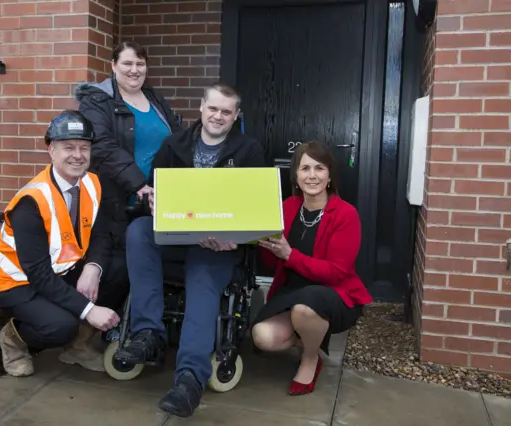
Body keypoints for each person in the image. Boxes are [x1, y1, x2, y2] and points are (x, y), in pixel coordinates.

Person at [115, 82, 267, 418]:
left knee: (203, 271)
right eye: (213, 108)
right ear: (201, 108)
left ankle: (190, 378)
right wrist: (154, 202)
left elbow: (256, 207)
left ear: (236, 116)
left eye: (227, 112)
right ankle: (147, 333)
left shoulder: (249, 151)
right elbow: (156, 195)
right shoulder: (174, 146)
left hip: (216, 246)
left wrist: (236, 237)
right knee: (139, 230)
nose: (218, 116)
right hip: (176, 238)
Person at [0, 110, 121, 377]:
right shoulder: (31, 201)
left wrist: (93, 268)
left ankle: (77, 348)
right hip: (15, 282)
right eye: (68, 147)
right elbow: (38, 274)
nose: (78, 155)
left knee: (120, 269)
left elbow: (101, 233)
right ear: (52, 151)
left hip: (59, 272)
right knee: (60, 325)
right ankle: (13, 339)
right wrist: (89, 310)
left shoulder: (92, 183)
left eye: (84, 147)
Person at [251, 141, 373, 396]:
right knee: (263, 337)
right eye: (305, 168)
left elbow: (337, 272)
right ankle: (310, 334)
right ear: (295, 175)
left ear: (329, 176)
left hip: (333, 293)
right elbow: (272, 263)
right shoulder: (287, 207)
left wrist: (290, 255)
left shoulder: (345, 214)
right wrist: (262, 243)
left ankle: (310, 357)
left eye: (319, 168)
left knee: (305, 308)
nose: (312, 175)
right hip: (291, 291)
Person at [73, 41, 181, 316]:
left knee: (146, 266)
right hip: (116, 199)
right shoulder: (96, 101)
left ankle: (125, 328)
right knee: (115, 269)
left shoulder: (154, 100)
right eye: (128, 63)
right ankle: (84, 333)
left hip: (155, 201)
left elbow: (178, 141)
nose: (135, 70)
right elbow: (101, 146)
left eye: (140, 64)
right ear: (113, 66)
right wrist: (139, 184)